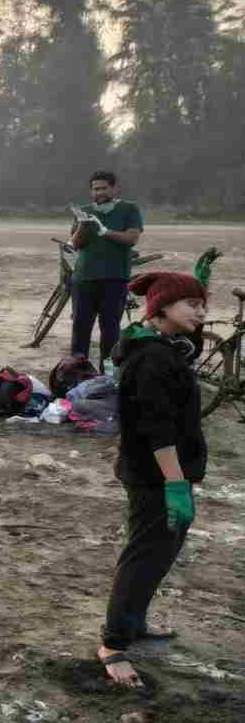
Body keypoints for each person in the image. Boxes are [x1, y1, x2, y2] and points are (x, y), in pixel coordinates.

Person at [99, 269, 209, 689]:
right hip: (155, 477)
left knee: (160, 552)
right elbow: (156, 430)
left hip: (163, 473)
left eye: (202, 305)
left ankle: (133, 623)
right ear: (161, 307)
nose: (200, 313)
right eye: (191, 305)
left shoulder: (163, 347)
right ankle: (112, 645)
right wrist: (175, 485)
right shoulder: (151, 360)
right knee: (145, 555)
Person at [69, 170, 144, 368]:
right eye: (95, 189)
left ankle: (107, 378)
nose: (99, 193)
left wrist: (105, 232)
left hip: (115, 279)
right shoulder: (85, 211)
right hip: (83, 279)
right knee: (80, 330)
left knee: (110, 332)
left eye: (103, 188)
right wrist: (84, 225)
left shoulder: (129, 209)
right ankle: (76, 375)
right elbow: (75, 244)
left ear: (114, 188)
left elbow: (131, 238)